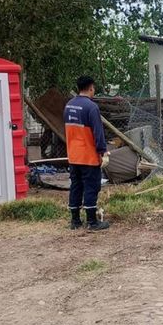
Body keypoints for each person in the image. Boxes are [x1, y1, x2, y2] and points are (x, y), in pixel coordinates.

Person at [63, 76, 110, 230]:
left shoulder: (69, 106)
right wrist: (103, 152)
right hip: (88, 156)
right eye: (94, 88)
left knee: (76, 186)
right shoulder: (91, 107)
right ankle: (92, 222)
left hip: (73, 155)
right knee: (91, 187)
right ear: (91, 88)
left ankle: (75, 221)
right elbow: (98, 132)